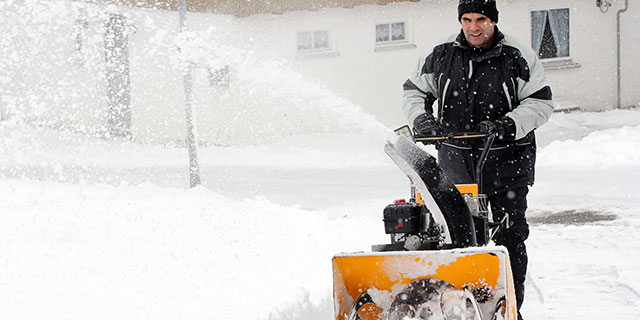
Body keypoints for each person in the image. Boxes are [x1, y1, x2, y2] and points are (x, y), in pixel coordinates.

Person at [402, 0, 554, 318]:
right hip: (455, 163)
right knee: (457, 239)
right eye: (467, 19)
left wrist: (507, 125)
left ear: (493, 21)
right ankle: (462, 309)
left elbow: (540, 102)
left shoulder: (517, 55)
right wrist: (421, 120)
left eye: (481, 19)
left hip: (507, 164)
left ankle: (509, 308)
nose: (474, 27)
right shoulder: (441, 54)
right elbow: (414, 90)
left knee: (509, 239)